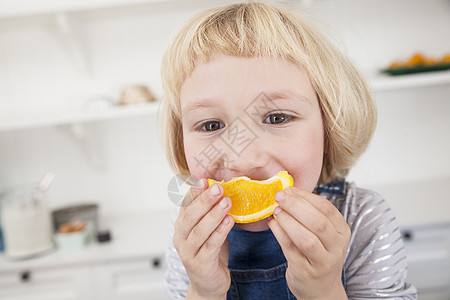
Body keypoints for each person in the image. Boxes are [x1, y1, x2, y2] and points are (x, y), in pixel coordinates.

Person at [161, 2, 418, 299]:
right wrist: (203, 291)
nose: (242, 160)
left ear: (329, 126)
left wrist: (324, 291)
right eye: (210, 125)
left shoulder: (364, 220)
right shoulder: (190, 232)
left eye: (277, 118)